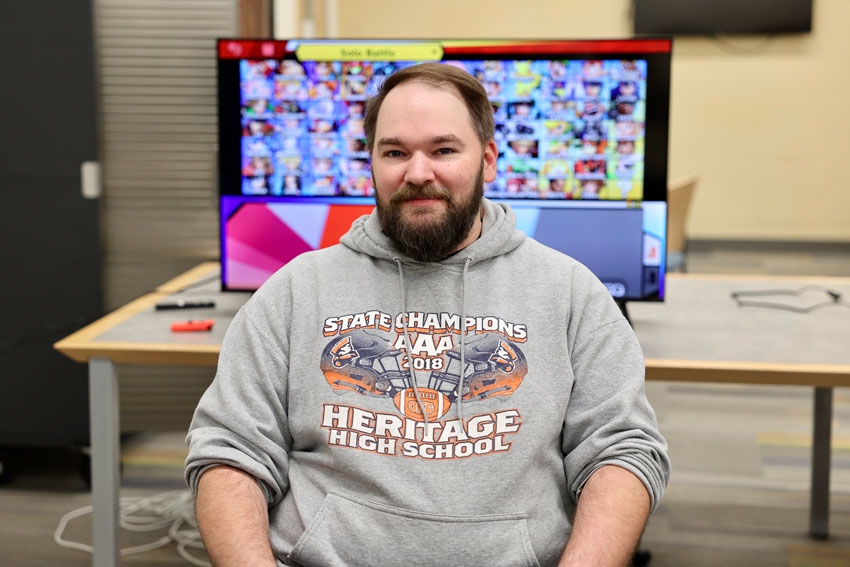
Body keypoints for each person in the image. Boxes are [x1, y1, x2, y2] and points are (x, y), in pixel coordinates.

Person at [186, 62, 670, 567]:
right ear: (370, 161)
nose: (417, 173)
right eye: (395, 152)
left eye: (443, 150)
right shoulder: (293, 290)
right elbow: (228, 452)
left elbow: (622, 452)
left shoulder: (571, 292)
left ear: (487, 161)